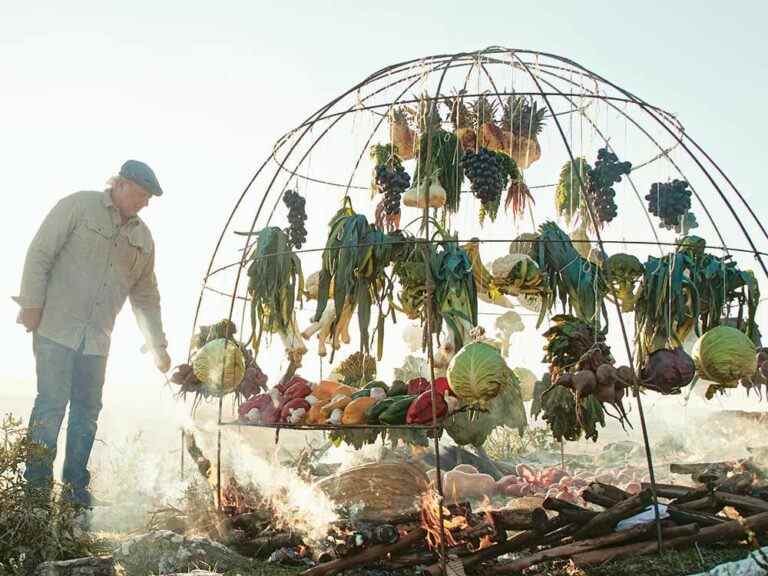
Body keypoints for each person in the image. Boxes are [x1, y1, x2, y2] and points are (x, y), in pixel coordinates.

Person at [14, 159, 172, 508]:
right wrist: (31, 304)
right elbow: (40, 253)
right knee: (51, 405)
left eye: (149, 199)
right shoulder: (78, 206)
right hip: (56, 328)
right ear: (121, 184)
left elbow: (146, 296)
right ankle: (36, 497)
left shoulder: (143, 239)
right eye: (142, 195)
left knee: (87, 412)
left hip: (98, 340)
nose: (145, 203)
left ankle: (74, 495)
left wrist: (158, 345)